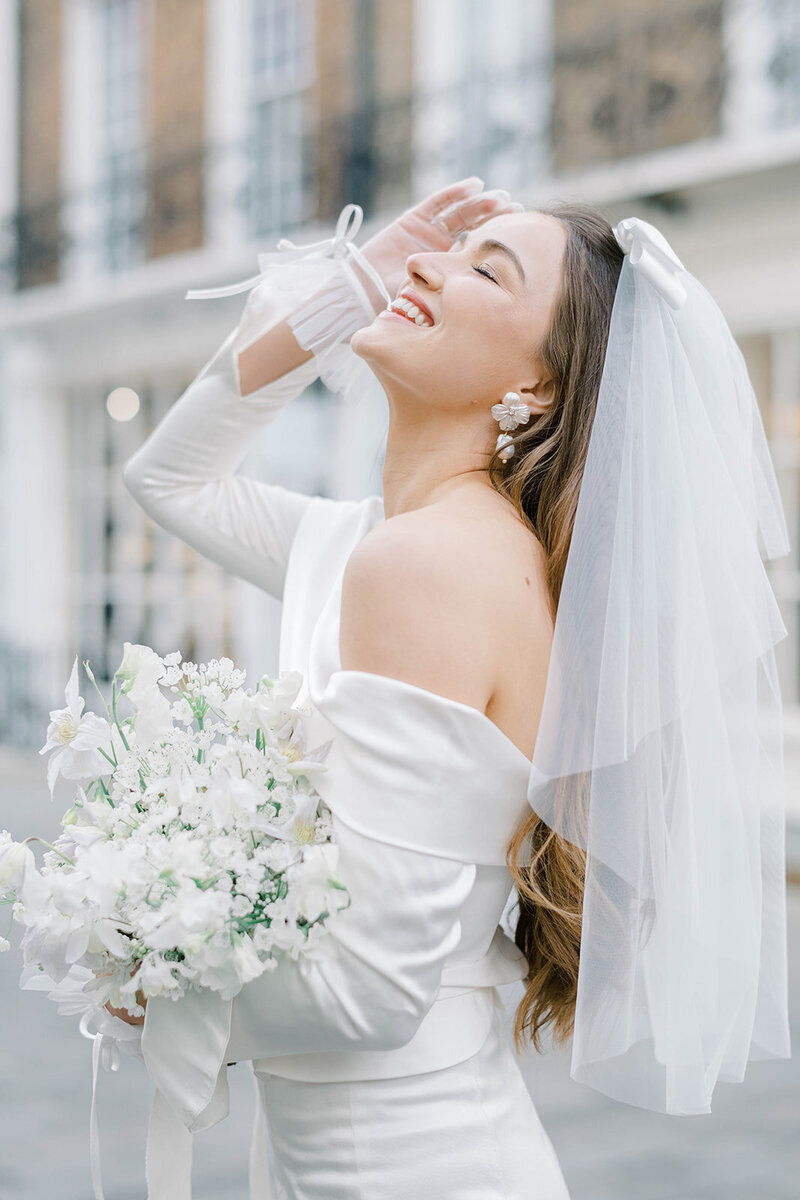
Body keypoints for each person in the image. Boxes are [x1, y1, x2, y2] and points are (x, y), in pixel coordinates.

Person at [119, 176, 790, 1198]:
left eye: (488, 268)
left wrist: (154, 979)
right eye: (447, 249)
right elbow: (169, 478)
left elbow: (365, 992)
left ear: (538, 388)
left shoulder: (428, 567)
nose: (426, 263)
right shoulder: (370, 545)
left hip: (396, 1164)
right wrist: (351, 285)